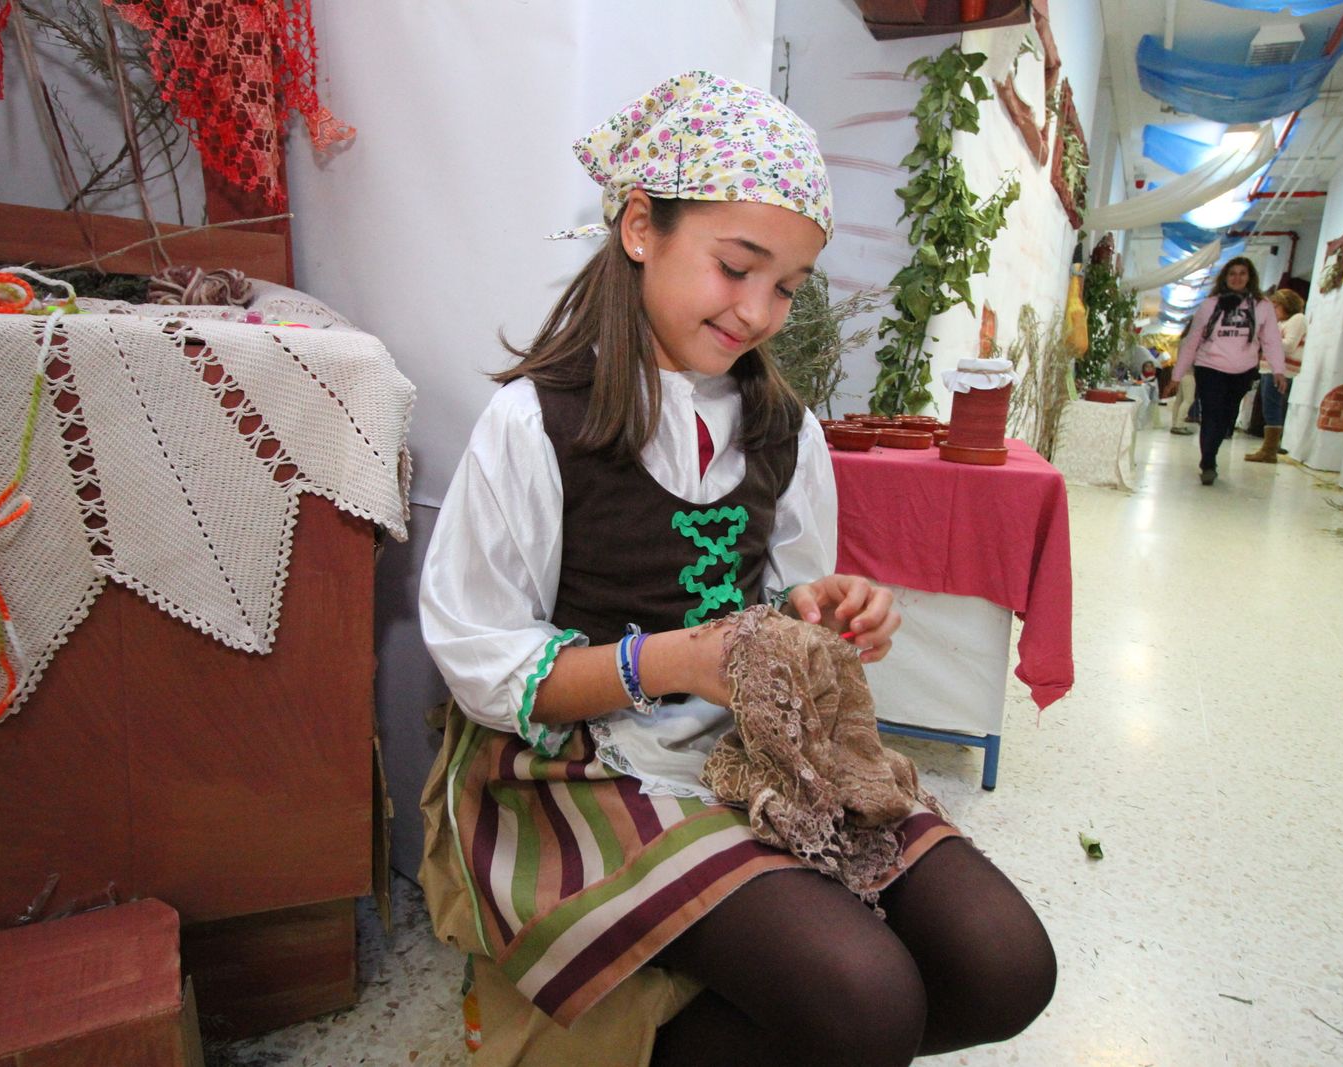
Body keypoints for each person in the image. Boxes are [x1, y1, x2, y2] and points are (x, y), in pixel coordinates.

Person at [417, 71, 1055, 1067]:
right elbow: (486, 666)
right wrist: (670, 661)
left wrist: (816, 606)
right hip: (585, 758)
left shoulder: (782, 428)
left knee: (1004, 966)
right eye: (736, 266)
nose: (761, 310)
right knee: (866, 1001)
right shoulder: (539, 423)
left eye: (788, 285)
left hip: (755, 742)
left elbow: (778, 593)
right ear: (640, 227)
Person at [1171, 257, 1286, 484]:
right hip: (1210, 366)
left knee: (1226, 418)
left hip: (1243, 370)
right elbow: (1192, 340)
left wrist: (1278, 370)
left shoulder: (1262, 306)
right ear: (1225, 277)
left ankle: (1210, 454)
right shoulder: (1210, 305)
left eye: (1242, 273)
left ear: (1250, 277)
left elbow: (1271, 339)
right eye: (1232, 273)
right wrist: (1176, 375)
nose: (1237, 278)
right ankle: (1208, 462)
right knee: (1212, 414)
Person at [1245, 288, 1306, 462]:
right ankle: (1269, 447)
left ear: (1286, 305)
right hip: (1269, 369)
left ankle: (1269, 450)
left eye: (1276, 307)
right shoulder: (1281, 323)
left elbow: (1288, 345)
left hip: (1279, 371)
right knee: (1269, 408)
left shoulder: (1297, 319)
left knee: (1272, 408)